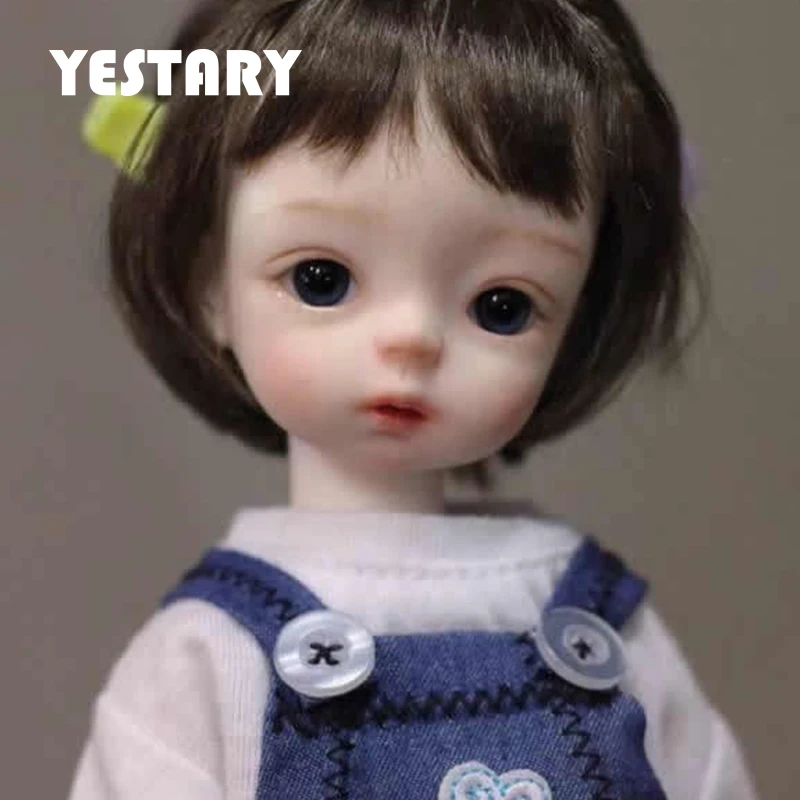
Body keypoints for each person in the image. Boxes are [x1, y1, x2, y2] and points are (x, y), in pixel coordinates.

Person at [70, 0, 759, 797]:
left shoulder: (607, 627)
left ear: (577, 320)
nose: (413, 340)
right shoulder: (209, 655)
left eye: (502, 306)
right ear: (209, 287)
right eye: (321, 279)